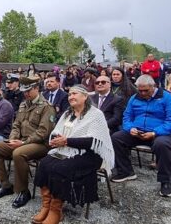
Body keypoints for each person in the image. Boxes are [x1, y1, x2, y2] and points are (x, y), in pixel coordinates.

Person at [32, 85, 114, 224]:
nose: (71, 97)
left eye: (74, 94)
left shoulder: (95, 114)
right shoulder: (68, 113)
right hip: (66, 149)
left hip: (90, 154)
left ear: (85, 96)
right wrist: (57, 139)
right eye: (69, 94)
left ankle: (55, 210)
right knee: (44, 164)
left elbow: (93, 141)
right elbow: (56, 131)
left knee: (61, 168)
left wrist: (66, 141)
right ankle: (46, 205)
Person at [0, 76, 55, 208]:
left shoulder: (47, 107)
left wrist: (23, 143)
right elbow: (16, 124)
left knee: (18, 153)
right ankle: (5, 185)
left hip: (40, 145)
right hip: (21, 141)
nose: (25, 93)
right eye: (24, 91)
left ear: (36, 88)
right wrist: (13, 138)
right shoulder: (24, 104)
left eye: (28, 90)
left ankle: (24, 191)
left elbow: (43, 132)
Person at [110, 75, 171, 198]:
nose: (142, 93)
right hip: (138, 131)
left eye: (145, 90)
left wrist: (155, 133)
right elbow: (127, 116)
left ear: (154, 86)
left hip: (161, 133)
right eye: (140, 90)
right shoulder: (134, 98)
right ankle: (126, 171)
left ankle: (165, 181)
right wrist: (130, 128)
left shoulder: (167, 98)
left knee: (162, 144)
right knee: (116, 137)